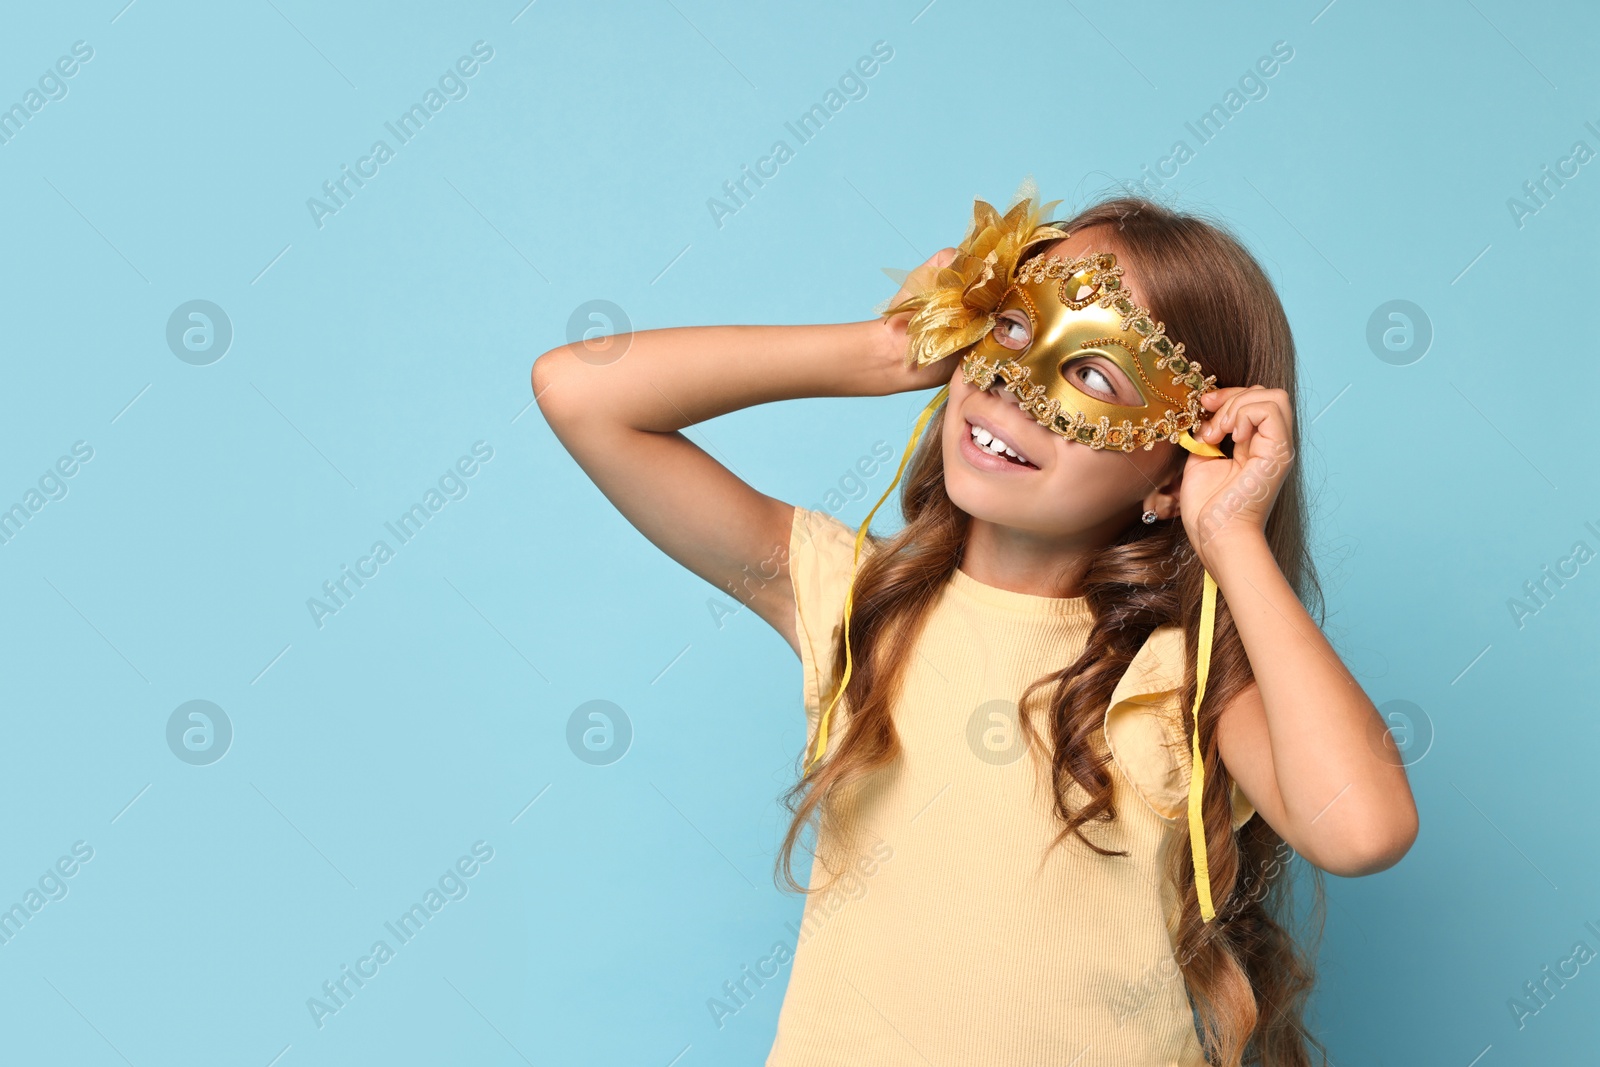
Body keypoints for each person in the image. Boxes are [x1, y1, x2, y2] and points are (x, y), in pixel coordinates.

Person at [531, 186, 1419, 1067]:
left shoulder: (1180, 679)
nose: (1022, 394)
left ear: (1178, 465)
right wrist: (881, 353)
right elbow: (580, 391)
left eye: (1096, 375)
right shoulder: (857, 603)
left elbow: (1361, 828)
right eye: (1012, 329)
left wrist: (1233, 538)